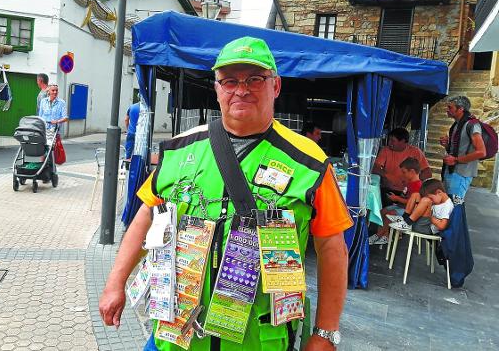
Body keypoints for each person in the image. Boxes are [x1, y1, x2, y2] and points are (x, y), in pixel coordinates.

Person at [99, 36, 352, 351]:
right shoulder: (179, 149)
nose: (241, 90)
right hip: (177, 334)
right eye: (229, 81)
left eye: (255, 80)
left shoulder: (309, 163)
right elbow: (146, 216)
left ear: (276, 86)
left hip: (259, 341)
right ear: (217, 88)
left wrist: (325, 332)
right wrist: (115, 282)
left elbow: (332, 248)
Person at [439, 95, 486, 198]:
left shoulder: (472, 125)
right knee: (449, 206)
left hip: (461, 173)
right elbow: (458, 149)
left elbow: (481, 152)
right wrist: (447, 145)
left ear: (460, 109)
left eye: (450, 107)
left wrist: (455, 160)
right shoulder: (456, 125)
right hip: (452, 171)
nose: (447, 110)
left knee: (455, 207)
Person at [369, 157, 423, 245]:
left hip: (410, 212)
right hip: (403, 207)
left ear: (412, 171)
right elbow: (406, 197)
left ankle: (378, 235)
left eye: (404, 172)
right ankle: (385, 236)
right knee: (382, 211)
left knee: (389, 214)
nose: (402, 174)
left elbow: (411, 202)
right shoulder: (410, 183)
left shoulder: (417, 185)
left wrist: (397, 198)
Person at [372, 127, 431, 205]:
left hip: (408, 193)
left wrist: (412, 181)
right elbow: (375, 168)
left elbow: (428, 173)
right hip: (388, 190)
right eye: (389, 140)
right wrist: (388, 176)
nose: (389, 143)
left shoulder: (415, 152)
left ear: (403, 141)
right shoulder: (385, 150)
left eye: (393, 141)